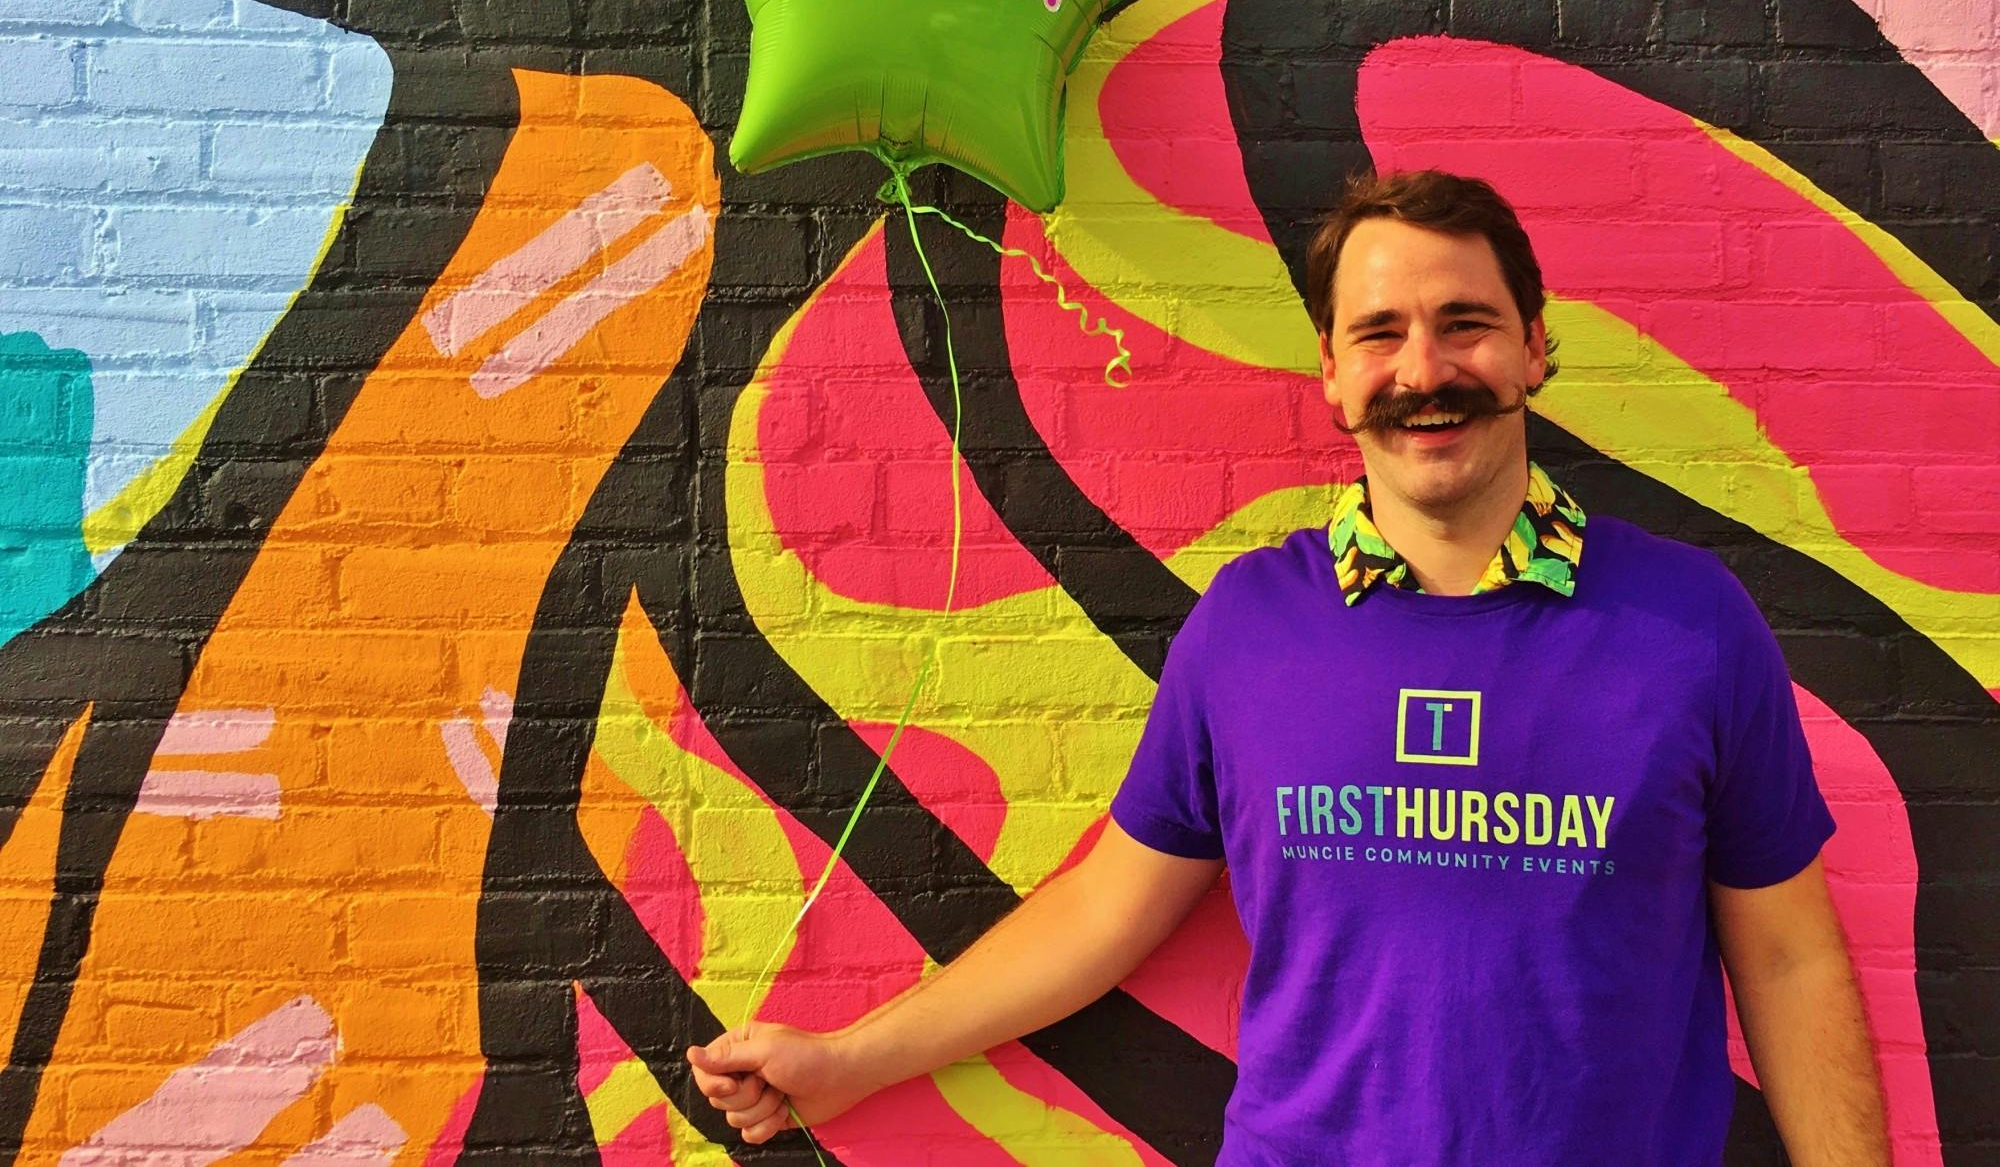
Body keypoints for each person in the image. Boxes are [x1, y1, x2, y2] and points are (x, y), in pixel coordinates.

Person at [687, 171, 1891, 1164]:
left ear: (1531, 347)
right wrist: (848, 1062)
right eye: (1379, 334)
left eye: (1463, 323)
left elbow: (1785, 956)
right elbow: (1106, 913)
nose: (1424, 370)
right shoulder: (1248, 625)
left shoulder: (1688, 624)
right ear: (1330, 371)